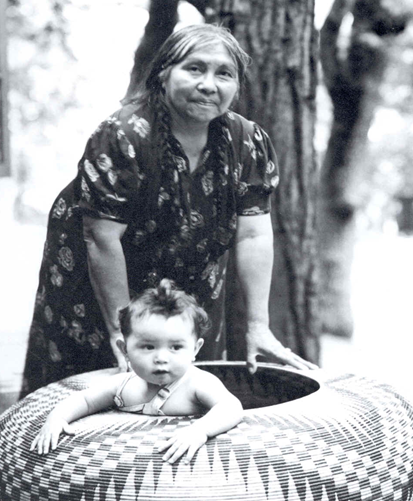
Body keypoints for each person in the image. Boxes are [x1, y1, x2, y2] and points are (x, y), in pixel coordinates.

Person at [20, 23, 316, 398]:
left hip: (191, 284)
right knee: (101, 392)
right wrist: (122, 332)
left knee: (188, 391)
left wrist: (258, 325)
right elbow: (101, 238)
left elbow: (253, 234)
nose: (208, 85)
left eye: (224, 74)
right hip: (104, 283)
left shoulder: (248, 142)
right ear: (163, 73)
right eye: (195, 68)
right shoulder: (123, 135)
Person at [30, 279, 243, 464]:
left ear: (195, 349)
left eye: (176, 347)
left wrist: (200, 430)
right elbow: (85, 400)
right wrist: (57, 418)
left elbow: (231, 406)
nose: (161, 357)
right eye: (148, 347)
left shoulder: (196, 383)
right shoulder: (123, 385)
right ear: (125, 350)